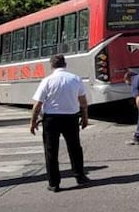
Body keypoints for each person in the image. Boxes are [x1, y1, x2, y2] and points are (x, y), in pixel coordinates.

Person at [30, 54, 89, 192]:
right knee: (75, 148)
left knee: (51, 151)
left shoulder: (47, 81)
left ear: (51, 66)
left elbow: (37, 104)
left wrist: (33, 121)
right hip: (71, 118)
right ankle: (80, 176)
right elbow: (83, 102)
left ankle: (54, 183)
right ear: (65, 64)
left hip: (51, 119)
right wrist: (85, 117)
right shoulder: (75, 79)